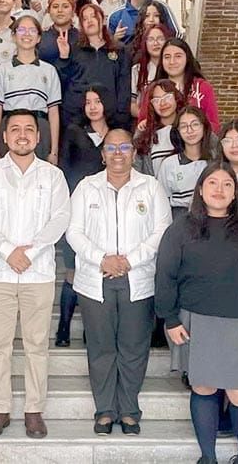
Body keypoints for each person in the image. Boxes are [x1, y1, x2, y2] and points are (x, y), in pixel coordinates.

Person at [0, 109, 71, 439]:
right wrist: (7, 251)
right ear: (5, 136)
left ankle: (33, 410)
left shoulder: (52, 176)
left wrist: (30, 252)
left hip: (37, 273)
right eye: (15, 129)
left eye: (29, 129)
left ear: (39, 137)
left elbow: (60, 219)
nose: (22, 134)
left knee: (36, 345)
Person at [64, 128, 171, 436]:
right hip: (95, 279)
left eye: (125, 147)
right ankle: (105, 410)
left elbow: (161, 230)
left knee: (134, 347)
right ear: (103, 154)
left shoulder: (150, 188)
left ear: (134, 153)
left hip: (137, 279)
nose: (118, 153)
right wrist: (103, 259)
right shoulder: (86, 188)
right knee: (100, 346)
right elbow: (74, 231)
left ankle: (129, 410)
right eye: (111, 148)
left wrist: (128, 260)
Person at [155, 162, 238, 464]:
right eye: (212, 183)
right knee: (204, 387)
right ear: (201, 188)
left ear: (235, 191)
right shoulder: (181, 227)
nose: (219, 190)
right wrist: (170, 318)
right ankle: (208, 457)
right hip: (195, 319)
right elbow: (165, 274)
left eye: (227, 184)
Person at [56, 86, 114, 348]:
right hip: (79, 208)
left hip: (109, 210)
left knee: (100, 269)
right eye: (88, 102)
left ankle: (92, 330)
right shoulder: (74, 132)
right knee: (73, 271)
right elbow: (66, 170)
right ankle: (64, 328)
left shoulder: (117, 134)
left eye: (98, 101)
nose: (92, 106)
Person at [0, 15, 61, 162]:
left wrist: (54, 151)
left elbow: (54, 113)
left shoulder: (49, 70)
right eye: (21, 30)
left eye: (32, 30)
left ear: (39, 37)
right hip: (10, 125)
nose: (27, 34)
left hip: (40, 126)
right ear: (14, 36)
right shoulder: (2, 70)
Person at [54, 3, 131, 130]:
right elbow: (63, 83)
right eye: (84, 18)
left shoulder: (119, 50)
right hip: (79, 119)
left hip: (112, 119)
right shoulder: (74, 49)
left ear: (103, 19)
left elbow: (124, 85)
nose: (89, 21)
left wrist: (121, 115)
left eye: (93, 16)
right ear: (81, 25)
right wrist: (64, 57)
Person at [157, 106, 216, 217]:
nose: (190, 131)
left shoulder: (215, 162)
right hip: (179, 221)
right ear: (177, 131)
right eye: (184, 126)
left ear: (204, 127)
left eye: (195, 124)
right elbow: (161, 202)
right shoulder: (169, 164)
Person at [153, 38, 219, 132]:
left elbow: (214, 125)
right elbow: (144, 123)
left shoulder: (202, 87)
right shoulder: (154, 89)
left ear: (187, 58)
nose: (172, 62)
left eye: (178, 56)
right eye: (167, 57)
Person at [133, 79, 185, 176]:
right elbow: (137, 169)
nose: (162, 103)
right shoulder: (144, 132)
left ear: (176, 98)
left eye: (167, 97)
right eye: (156, 100)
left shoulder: (188, 127)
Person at [131, 23, 171, 116]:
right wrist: (145, 117)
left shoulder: (174, 67)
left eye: (160, 39)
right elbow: (132, 104)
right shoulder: (137, 70)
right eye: (151, 39)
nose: (156, 43)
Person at [38, 0, 79, 65]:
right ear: (49, 11)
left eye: (65, 6)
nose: (60, 10)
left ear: (73, 11)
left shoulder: (82, 38)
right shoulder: (40, 37)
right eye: (55, 7)